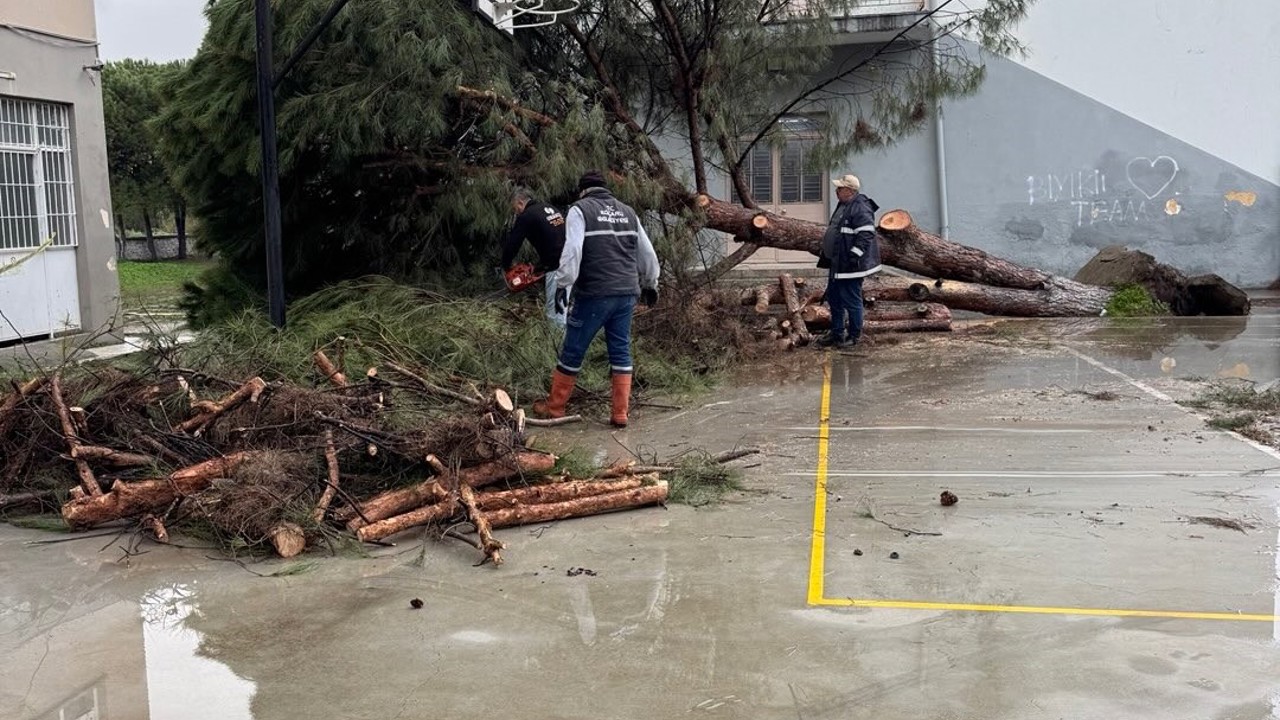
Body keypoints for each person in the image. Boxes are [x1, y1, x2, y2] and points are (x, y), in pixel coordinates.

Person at [532, 171, 660, 428]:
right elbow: (647, 253)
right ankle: (620, 413)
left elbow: (573, 251)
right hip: (626, 293)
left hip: (595, 293)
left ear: (583, 191)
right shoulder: (628, 212)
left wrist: (562, 285)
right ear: (605, 189)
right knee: (620, 349)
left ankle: (555, 408)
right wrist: (650, 284)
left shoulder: (580, 210)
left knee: (573, 348)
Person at [816, 174, 881, 347]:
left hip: (850, 266)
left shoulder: (860, 207)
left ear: (850, 191)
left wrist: (854, 255)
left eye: (840, 188)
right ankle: (836, 333)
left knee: (852, 301)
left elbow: (866, 233)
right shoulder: (844, 205)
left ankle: (854, 337)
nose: (836, 191)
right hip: (837, 264)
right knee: (834, 298)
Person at [500, 188, 568, 327]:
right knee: (564, 304)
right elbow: (554, 236)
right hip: (570, 259)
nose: (516, 212)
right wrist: (540, 266)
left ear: (520, 202)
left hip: (556, 265)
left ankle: (557, 344)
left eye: (515, 208)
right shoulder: (549, 208)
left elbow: (513, 243)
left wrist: (505, 265)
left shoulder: (527, 216)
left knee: (554, 310)